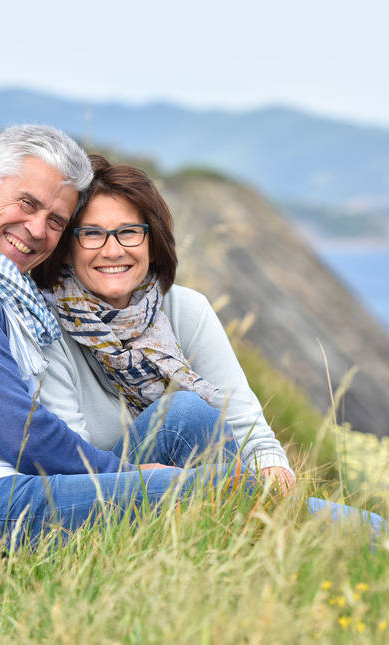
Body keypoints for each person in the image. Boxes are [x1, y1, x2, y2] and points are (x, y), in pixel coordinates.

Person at [0, 125, 238, 551]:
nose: (36, 229)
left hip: (7, 488)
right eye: (27, 203)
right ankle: (309, 524)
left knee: (184, 415)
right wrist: (128, 475)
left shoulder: (1, 286)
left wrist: (124, 476)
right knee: (206, 491)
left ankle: (231, 557)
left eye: (56, 221)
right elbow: (20, 430)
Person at [32, 155, 296, 490]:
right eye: (92, 234)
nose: (112, 251)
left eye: (128, 232)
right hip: (101, 495)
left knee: (370, 527)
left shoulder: (185, 308)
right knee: (183, 414)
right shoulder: (45, 323)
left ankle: (251, 524)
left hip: (183, 489)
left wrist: (276, 479)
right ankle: (244, 523)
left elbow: (248, 430)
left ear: (153, 245)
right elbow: (70, 462)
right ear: (68, 249)